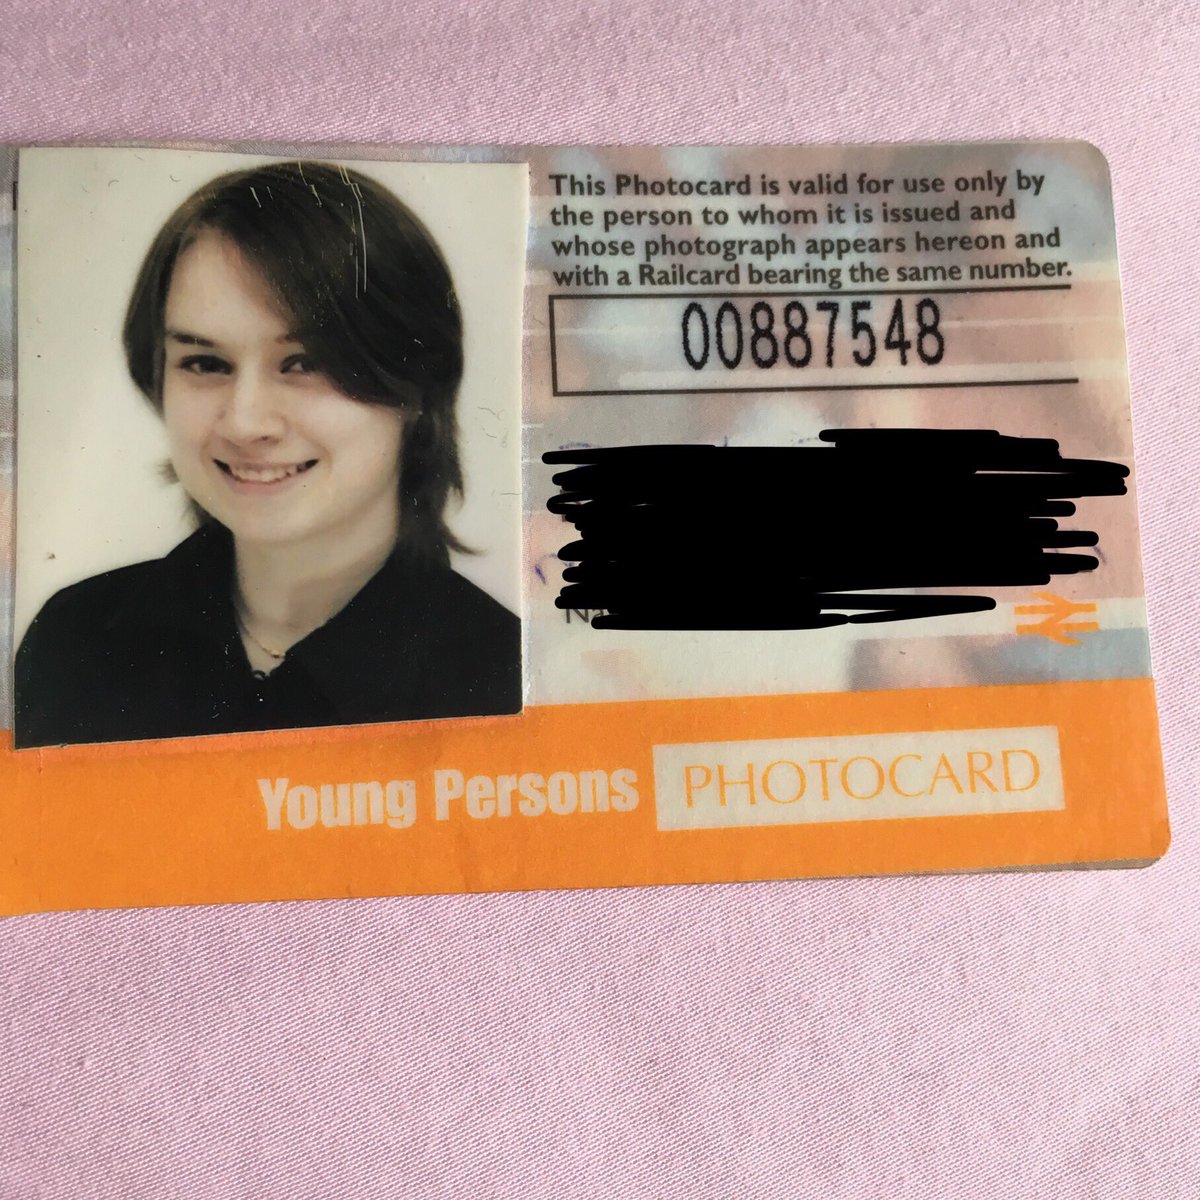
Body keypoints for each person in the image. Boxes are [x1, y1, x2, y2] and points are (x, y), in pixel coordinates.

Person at [15, 161, 521, 747]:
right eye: (205, 363)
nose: (246, 422)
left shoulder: (501, 680)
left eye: (305, 362)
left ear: (416, 388)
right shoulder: (72, 641)